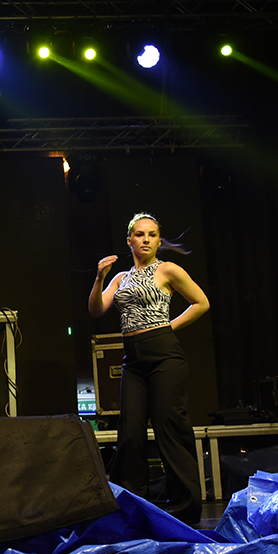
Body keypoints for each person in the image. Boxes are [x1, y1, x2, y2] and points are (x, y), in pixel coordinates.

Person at [89, 212, 209, 525]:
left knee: (170, 428)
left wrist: (168, 328)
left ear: (158, 240)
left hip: (164, 354)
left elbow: (201, 303)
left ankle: (185, 509)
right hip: (133, 360)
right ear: (129, 240)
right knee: (129, 433)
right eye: (140, 234)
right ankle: (132, 506)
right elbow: (97, 309)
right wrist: (100, 277)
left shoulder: (168, 269)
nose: (146, 240)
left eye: (152, 235)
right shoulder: (121, 278)